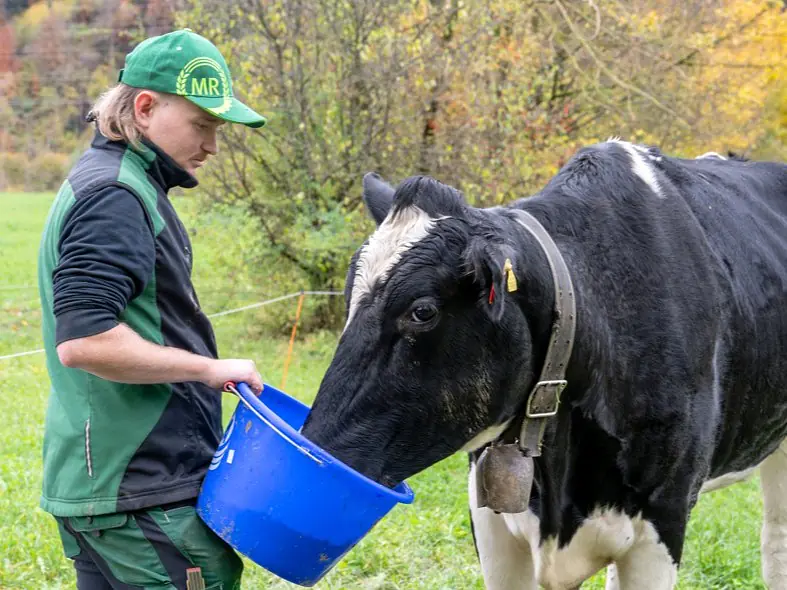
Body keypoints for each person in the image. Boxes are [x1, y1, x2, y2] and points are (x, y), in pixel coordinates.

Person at [37, 28, 266, 590]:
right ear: (144, 108)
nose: (212, 145)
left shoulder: (121, 183)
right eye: (203, 125)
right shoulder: (115, 195)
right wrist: (209, 369)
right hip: (139, 490)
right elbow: (85, 342)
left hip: (115, 489)